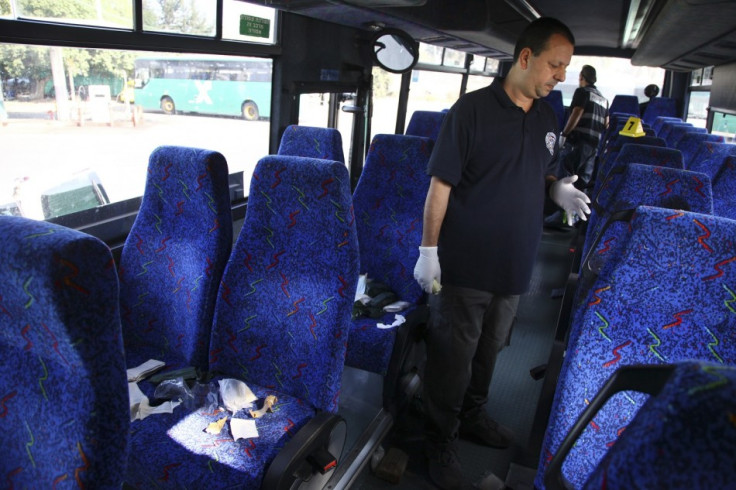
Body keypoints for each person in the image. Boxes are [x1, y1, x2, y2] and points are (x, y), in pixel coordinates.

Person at [412, 17, 590, 490]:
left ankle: (473, 416)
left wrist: (556, 192)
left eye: (566, 67)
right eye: (555, 64)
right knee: (453, 356)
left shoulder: (549, 117)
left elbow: (543, 174)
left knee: (492, 349)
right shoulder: (470, 111)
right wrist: (428, 250)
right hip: (466, 262)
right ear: (526, 57)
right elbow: (440, 186)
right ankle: (439, 441)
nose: (561, 76)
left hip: (516, 263)